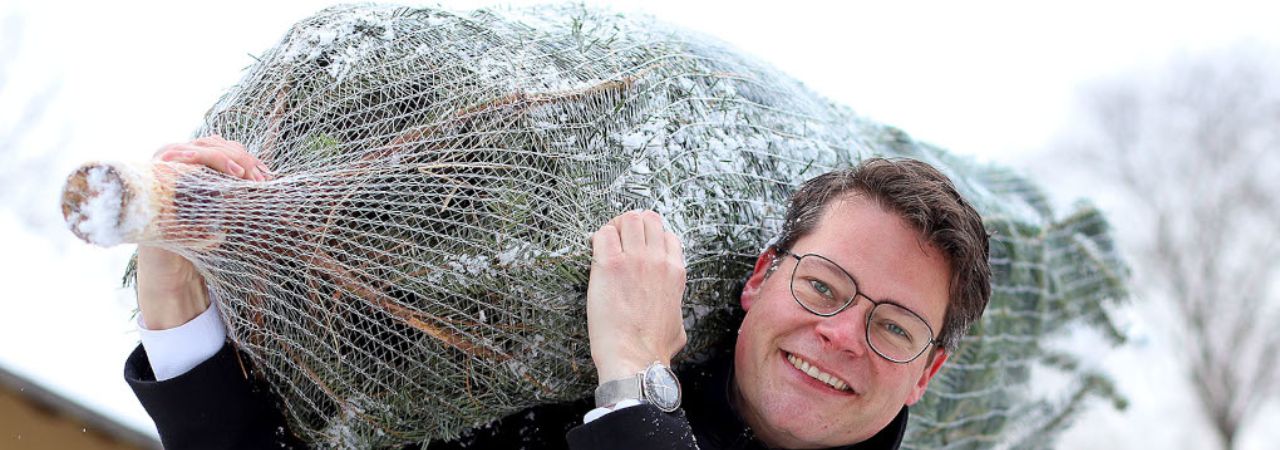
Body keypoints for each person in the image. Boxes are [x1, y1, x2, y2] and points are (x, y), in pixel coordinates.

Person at [125, 136, 990, 449]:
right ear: (761, 277)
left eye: (894, 326)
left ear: (927, 373)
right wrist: (182, 308)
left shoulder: (625, 392)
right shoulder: (540, 386)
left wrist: (637, 381)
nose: (842, 334)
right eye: (826, 285)